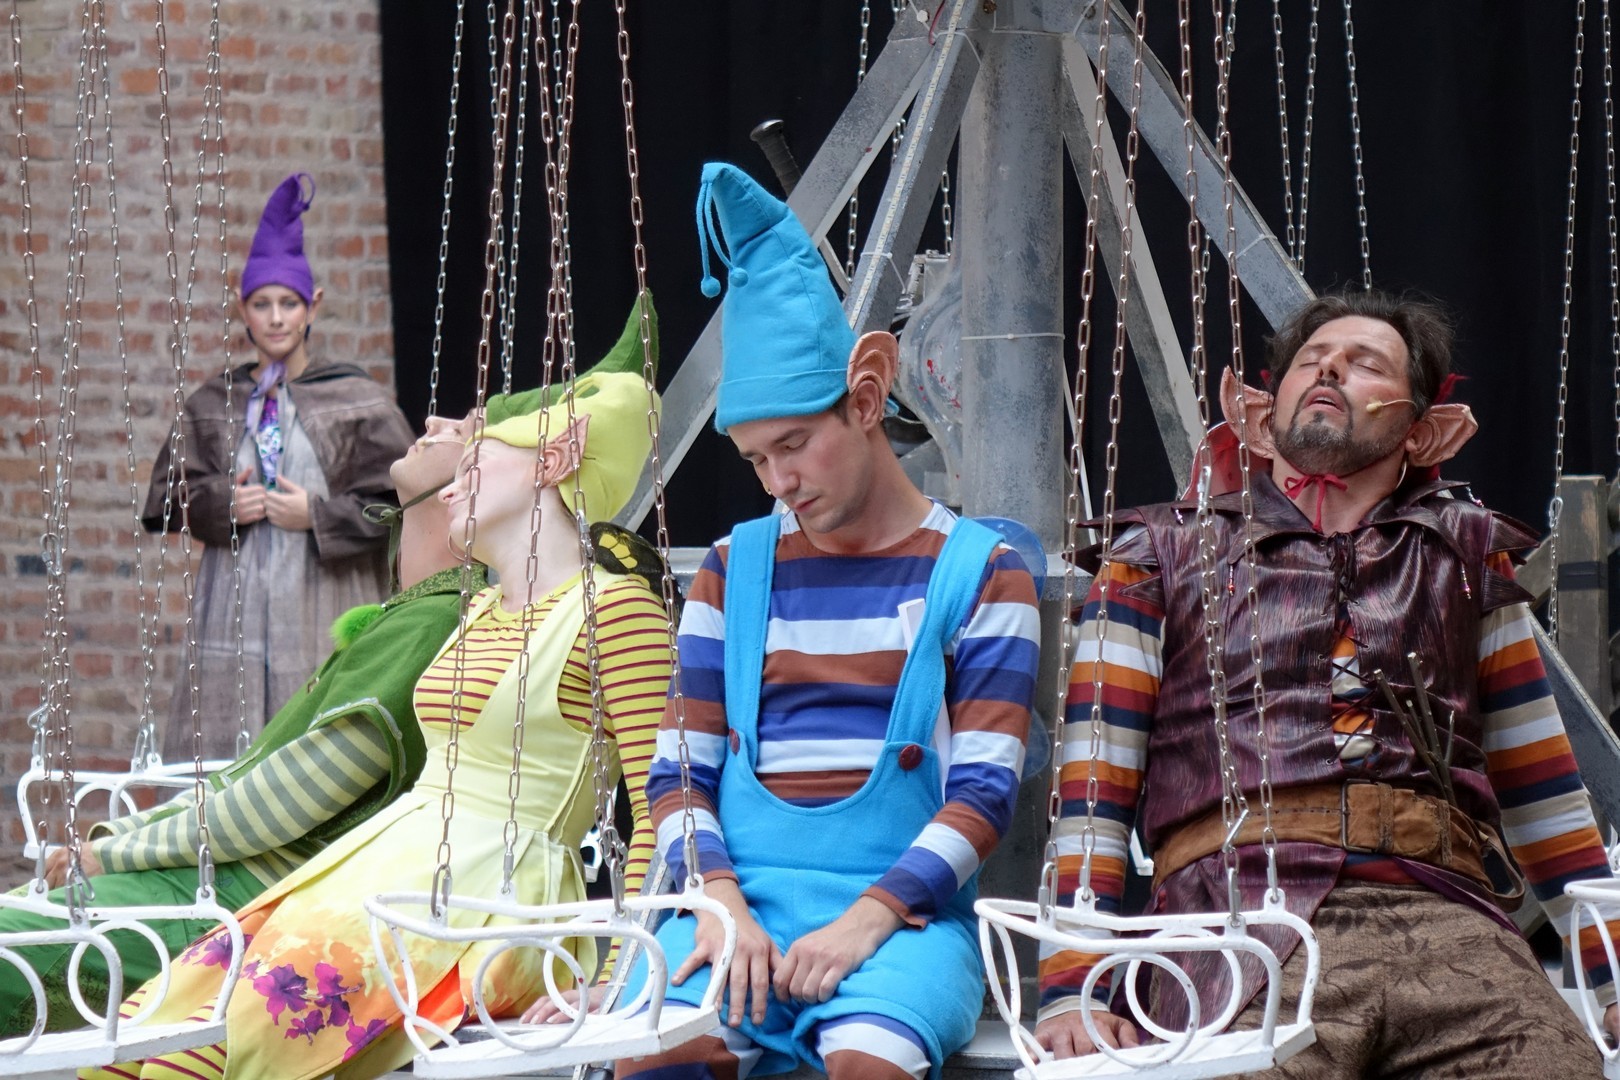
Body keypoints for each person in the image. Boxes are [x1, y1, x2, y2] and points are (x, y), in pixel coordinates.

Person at [1036, 288, 1620, 1075]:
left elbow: (1544, 793)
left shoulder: (1468, 557)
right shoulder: (1154, 557)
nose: (1330, 369)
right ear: (1260, 412)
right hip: (1235, 929)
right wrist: (1073, 989)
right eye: (1311, 360)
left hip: (1451, 926)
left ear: (1423, 429)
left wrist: (1613, 976)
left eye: (1365, 362)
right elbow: (1091, 794)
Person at [84, 362, 669, 1080]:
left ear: (554, 460)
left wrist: (620, 972)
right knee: (133, 1040)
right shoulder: (481, 610)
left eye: (474, 463)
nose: (449, 487)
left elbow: (660, 806)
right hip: (385, 866)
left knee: (203, 1061)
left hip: (492, 899)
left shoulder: (615, 610)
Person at [615, 163, 1040, 1080]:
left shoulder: (982, 572)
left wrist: (868, 920)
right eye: (755, 460)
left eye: (795, 445)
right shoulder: (731, 570)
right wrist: (719, 902)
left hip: (900, 924)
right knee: (659, 1061)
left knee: (869, 1067)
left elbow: (983, 795)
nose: (780, 482)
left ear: (866, 398)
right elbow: (679, 770)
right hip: (735, 911)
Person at [0, 401, 471, 1039]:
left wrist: (115, 852)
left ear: (475, 481)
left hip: (250, 906)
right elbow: (248, 781)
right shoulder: (409, 617)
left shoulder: (432, 625)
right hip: (216, 873)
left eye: (463, 432)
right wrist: (119, 840)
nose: (434, 423)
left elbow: (287, 801)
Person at [142, 173, 415, 760]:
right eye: (261, 304)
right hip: (234, 608)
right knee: (231, 756)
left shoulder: (357, 401)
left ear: (313, 305)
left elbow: (404, 503)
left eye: (288, 303)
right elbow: (165, 496)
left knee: (322, 756)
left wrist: (317, 515)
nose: (275, 318)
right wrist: (221, 503)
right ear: (242, 308)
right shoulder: (214, 402)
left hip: (325, 599)